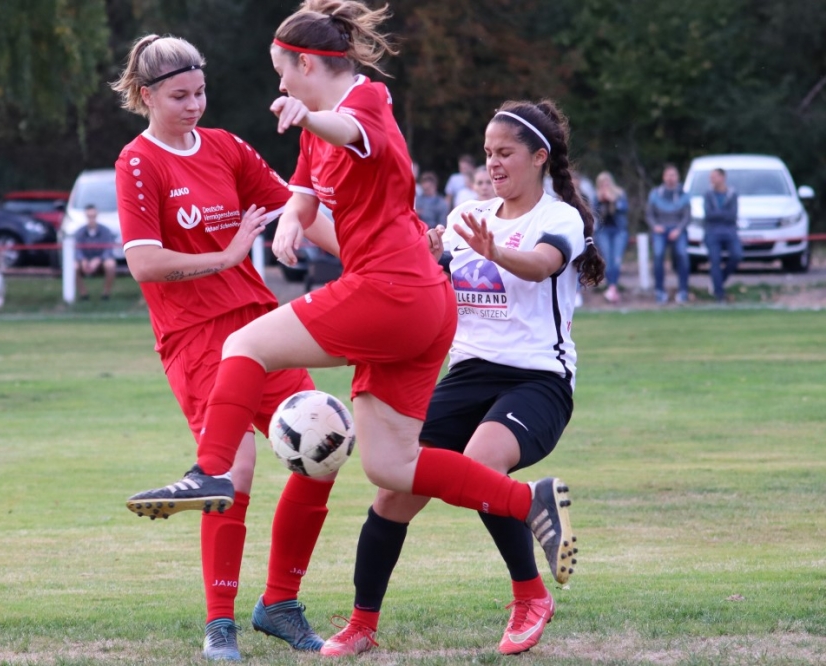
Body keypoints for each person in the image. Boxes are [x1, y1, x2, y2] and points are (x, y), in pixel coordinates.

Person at [127, 2, 578, 647]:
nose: (280, 85)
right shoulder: (313, 127)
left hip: (391, 290)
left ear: (308, 65)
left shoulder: (364, 102)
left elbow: (350, 132)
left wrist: (308, 116)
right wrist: (291, 220)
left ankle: (209, 472)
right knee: (391, 466)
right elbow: (303, 194)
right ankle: (526, 502)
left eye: (284, 73)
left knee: (245, 344)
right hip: (418, 303)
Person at [319, 99, 603, 657]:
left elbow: (542, 265)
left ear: (539, 158)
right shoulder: (465, 216)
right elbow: (423, 283)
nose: (493, 163)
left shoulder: (558, 218)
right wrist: (424, 257)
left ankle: (531, 597)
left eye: (506, 153)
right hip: (467, 373)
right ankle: (361, 625)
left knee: (480, 466)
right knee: (393, 493)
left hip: (538, 380)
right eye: (488, 153)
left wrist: (494, 250)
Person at [110, 34, 340, 661]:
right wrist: (228, 254)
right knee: (230, 475)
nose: (194, 106)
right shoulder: (137, 162)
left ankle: (280, 604)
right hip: (194, 337)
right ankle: (220, 624)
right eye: (179, 96)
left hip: (260, 329)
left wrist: (374, 251)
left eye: (200, 92)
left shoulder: (227, 147)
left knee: (324, 447)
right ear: (146, 96)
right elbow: (145, 264)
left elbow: (298, 208)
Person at [646, 164, 691, 304]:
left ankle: (683, 290)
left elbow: (687, 216)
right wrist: (655, 226)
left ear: (678, 177)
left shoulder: (684, 195)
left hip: (678, 230)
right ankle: (659, 290)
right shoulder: (655, 194)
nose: (671, 178)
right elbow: (649, 215)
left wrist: (678, 229)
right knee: (658, 254)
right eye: (668, 175)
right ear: (663, 177)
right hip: (660, 230)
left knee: (682, 254)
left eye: (673, 175)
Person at [703, 167, 741, 303]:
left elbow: (733, 215)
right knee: (715, 260)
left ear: (722, 177)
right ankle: (719, 295)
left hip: (729, 231)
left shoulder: (732, 194)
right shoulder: (708, 194)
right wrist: (724, 214)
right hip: (712, 231)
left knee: (737, 255)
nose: (711, 179)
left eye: (714, 177)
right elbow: (708, 215)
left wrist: (718, 214)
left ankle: (717, 281)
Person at [593, 171, 628, 304]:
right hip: (603, 232)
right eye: (602, 184)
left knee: (617, 260)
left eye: (607, 183)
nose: (605, 186)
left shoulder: (619, 194)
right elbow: (594, 213)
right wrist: (601, 202)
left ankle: (612, 288)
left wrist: (614, 201)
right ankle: (612, 288)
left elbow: (625, 209)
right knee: (607, 260)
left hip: (619, 231)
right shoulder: (596, 197)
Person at [72, 204, 117, 300]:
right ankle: (83, 294)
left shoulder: (106, 231)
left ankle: (106, 294)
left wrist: (99, 259)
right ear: (86, 216)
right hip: (84, 261)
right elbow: (77, 249)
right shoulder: (80, 232)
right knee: (73, 267)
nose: (91, 219)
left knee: (111, 264)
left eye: (93, 216)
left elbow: (108, 248)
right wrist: (83, 260)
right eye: (89, 216)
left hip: (101, 261)